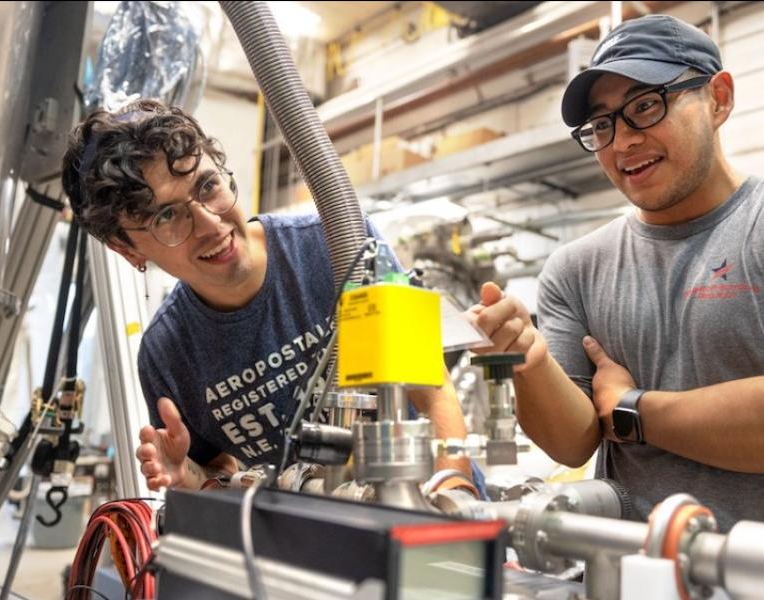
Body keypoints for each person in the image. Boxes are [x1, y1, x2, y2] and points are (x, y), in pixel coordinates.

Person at [467, 14, 764, 567]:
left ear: (719, 98)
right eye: (601, 125)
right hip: (641, 577)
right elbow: (572, 442)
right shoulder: (575, 267)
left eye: (645, 105)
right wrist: (530, 361)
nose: (624, 141)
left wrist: (631, 410)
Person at [61, 99, 474, 492]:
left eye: (207, 186)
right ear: (129, 249)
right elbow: (220, 472)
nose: (210, 224)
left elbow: (432, 390)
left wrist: (453, 494)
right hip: (315, 549)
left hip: (430, 508)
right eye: (168, 215)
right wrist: (188, 475)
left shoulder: (338, 243)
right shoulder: (167, 354)